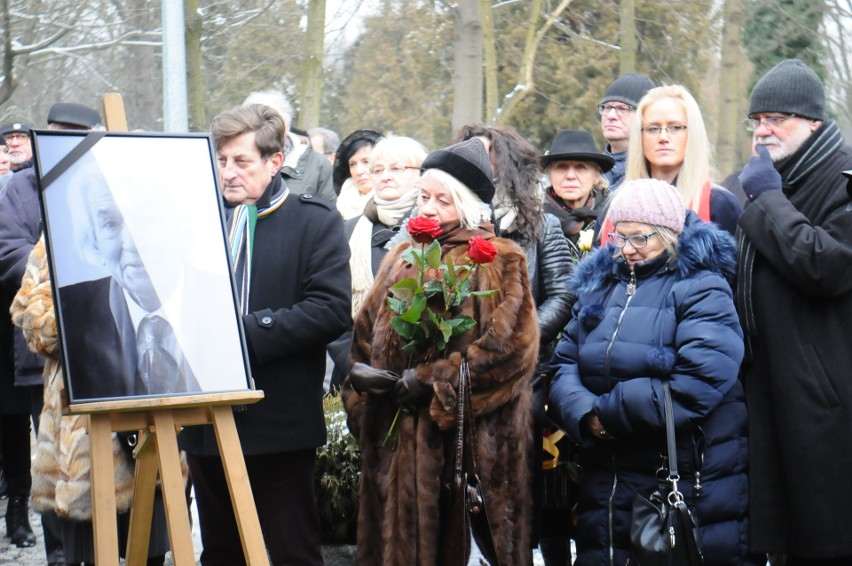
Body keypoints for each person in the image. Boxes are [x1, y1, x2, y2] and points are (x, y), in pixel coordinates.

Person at [342, 138, 538, 565]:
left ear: (467, 205)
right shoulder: (402, 255)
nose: (428, 209)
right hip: (393, 450)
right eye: (424, 197)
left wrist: (433, 383)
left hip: (464, 453)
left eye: (442, 200)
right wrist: (362, 395)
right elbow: (362, 334)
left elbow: (511, 354)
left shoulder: (498, 260)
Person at [549, 178, 757, 565]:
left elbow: (701, 379)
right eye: (619, 237)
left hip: (683, 480)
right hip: (607, 482)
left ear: (669, 234)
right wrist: (585, 414)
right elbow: (563, 363)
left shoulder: (702, 287)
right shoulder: (601, 286)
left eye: (640, 239)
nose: (626, 249)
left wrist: (608, 415)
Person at [180, 104, 350, 565]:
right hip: (205, 420)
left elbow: (331, 310)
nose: (228, 173)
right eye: (221, 160)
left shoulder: (314, 222)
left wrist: (243, 334)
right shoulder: (193, 222)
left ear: (275, 162)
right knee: (220, 552)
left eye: (242, 162)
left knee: (292, 550)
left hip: (279, 421)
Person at [736, 59, 852, 565]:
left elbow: (828, 266)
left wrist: (768, 199)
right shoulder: (774, 178)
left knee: (825, 540)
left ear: (813, 123)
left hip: (825, 401)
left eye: (776, 118)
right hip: (770, 392)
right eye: (756, 119)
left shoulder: (841, 179)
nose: (763, 131)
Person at [456, 123, 575, 566]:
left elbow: (564, 293)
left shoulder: (541, 223)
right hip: (463, 381)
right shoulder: (451, 223)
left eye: (486, 154)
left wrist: (518, 339)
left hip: (524, 383)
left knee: (516, 505)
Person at [0, 101, 102, 561]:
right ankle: (55, 543)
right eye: (56, 133)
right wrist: (61, 268)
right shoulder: (19, 189)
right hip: (39, 345)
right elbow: (8, 249)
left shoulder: (102, 184)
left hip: (101, 344)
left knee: (95, 447)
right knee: (49, 448)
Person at [58, 156, 202, 400]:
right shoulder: (70, 314)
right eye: (111, 223)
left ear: (182, 223)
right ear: (94, 240)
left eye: (147, 219)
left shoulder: (226, 301)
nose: (132, 243)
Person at [615, 84, 741, 239]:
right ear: (640, 136)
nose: (663, 137)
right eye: (653, 129)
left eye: (675, 127)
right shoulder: (616, 204)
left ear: (692, 133)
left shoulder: (720, 205)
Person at [243, 90, 336, 202]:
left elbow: (328, 214)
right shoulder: (230, 163)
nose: (261, 130)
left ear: (286, 125)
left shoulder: (318, 165)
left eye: (270, 123)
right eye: (253, 123)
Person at [542, 129, 614, 256]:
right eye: (561, 167)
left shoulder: (613, 216)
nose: (570, 176)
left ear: (596, 177)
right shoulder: (531, 219)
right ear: (550, 175)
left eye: (581, 167)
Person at [598, 73, 655, 191]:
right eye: (607, 107)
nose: (611, 115)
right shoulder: (590, 171)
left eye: (623, 108)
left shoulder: (655, 174)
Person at [333, 129, 382, 220]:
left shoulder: (394, 207)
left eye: (366, 161)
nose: (358, 171)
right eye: (352, 164)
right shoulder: (339, 206)